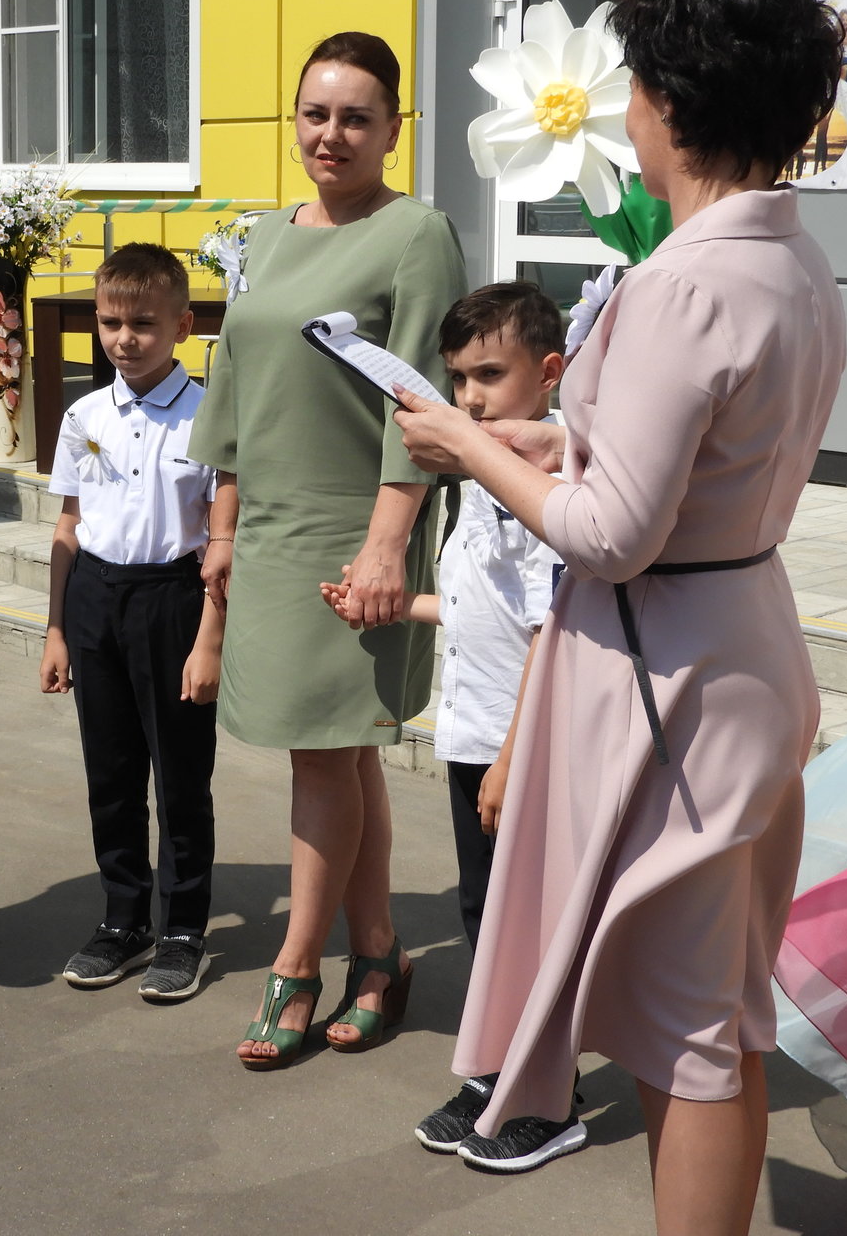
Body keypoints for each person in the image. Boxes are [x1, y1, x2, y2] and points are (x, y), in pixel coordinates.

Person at [393, 0, 846, 1228]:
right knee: (713, 1014)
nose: (627, 111)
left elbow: (611, 535)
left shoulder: (682, 282)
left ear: (674, 102)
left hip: (669, 679)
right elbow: (701, 461)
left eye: (636, 86)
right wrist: (554, 439)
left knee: (686, 1031)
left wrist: (467, 443)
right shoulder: (793, 261)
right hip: (740, 637)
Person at [189, 31, 466, 1069]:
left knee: (321, 747)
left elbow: (422, 403)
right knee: (343, 749)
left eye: (356, 117)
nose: (332, 134)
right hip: (270, 525)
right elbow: (234, 383)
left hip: (360, 524)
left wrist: (388, 546)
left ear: (394, 128)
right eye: (316, 114)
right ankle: (382, 953)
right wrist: (222, 531)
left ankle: (297, 964)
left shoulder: (416, 234)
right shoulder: (266, 233)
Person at [314, 284, 571, 1155]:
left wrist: (511, 759)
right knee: (484, 917)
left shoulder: (542, 488)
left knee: (523, 926)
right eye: (458, 379)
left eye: (490, 376)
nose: (469, 398)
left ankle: (543, 1099)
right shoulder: (480, 481)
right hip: (477, 736)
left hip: (519, 744)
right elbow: (477, 607)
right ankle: (497, 1076)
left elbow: (551, 630)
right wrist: (395, 607)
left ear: (548, 373)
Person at [39, 243, 225, 1003]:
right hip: (95, 599)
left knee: (180, 775)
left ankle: (182, 929)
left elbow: (223, 540)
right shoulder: (84, 415)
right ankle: (123, 918)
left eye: (143, 324)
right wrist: (56, 628)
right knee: (110, 774)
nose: (124, 339)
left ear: (182, 325)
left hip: (174, 600)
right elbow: (69, 523)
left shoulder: (210, 416)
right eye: (111, 322)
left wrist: (210, 638)